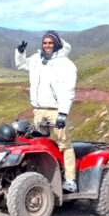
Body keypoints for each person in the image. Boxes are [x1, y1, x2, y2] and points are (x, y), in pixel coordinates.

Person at [15, 31, 78, 192]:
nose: (47, 46)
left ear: (57, 43)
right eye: (45, 43)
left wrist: (63, 113)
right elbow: (22, 65)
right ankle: (42, 175)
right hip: (38, 110)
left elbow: (69, 90)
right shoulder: (37, 59)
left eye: (50, 43)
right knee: (37, 143)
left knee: (64, 144)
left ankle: (70, 180)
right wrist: (20, 52)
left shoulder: (66, 64)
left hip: (56, 110)